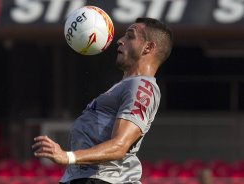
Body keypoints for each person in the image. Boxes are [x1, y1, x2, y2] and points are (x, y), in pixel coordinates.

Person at [32, 17, 173, 184]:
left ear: (148, 47)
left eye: (130, 36)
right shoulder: (125, 86)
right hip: (84, 178)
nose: (120, 41)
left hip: (106, 179)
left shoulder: (142, 87)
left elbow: (120, 146)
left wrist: (67, 156)